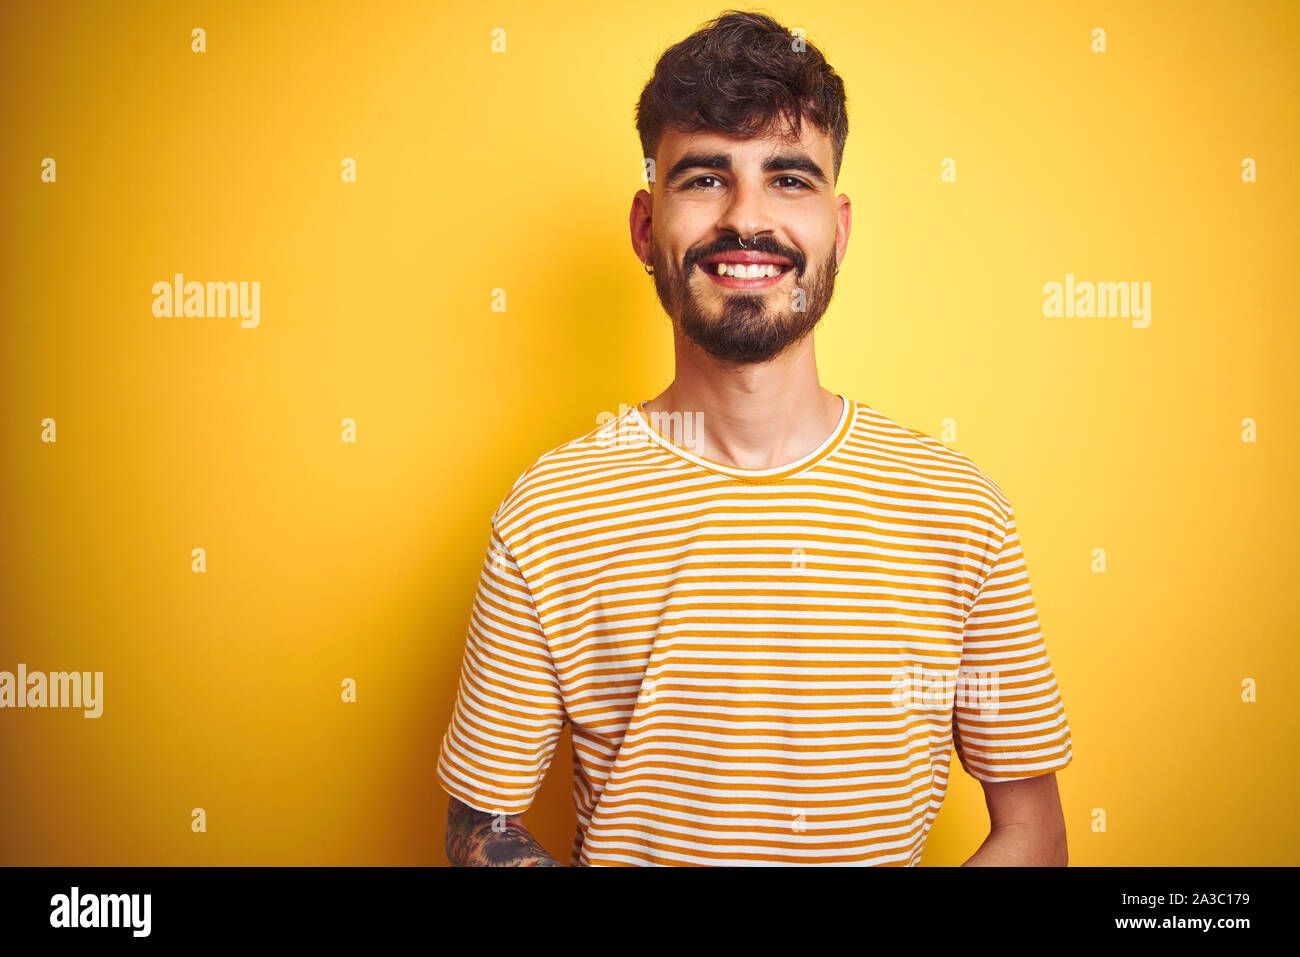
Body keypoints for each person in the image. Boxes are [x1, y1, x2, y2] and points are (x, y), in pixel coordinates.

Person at [438, 9, 1072, 866]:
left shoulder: (962, 513)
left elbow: (1032, 831)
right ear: (643, 226)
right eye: (703, 178)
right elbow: (483, 828)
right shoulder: (548, 514)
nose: (746, 219)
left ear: (838, 230)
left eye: (789, 179)